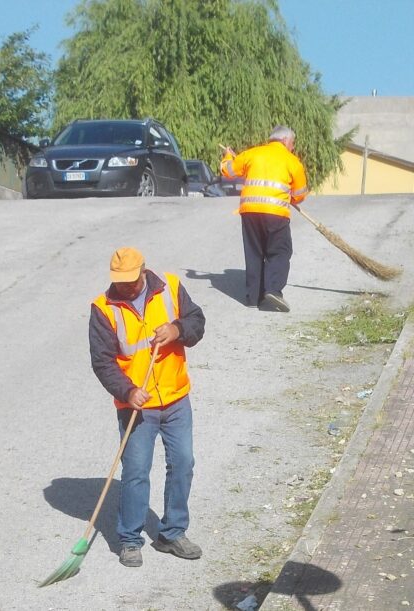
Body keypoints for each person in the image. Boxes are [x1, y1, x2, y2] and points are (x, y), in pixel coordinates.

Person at [88, 247, 205, 568]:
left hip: (176, 397)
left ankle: (172, 533)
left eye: (131, 279)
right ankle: (129, 539)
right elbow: (102, 361)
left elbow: (197, 322)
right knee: (136, 472)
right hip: (136, 406)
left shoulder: (170, 287)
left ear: (144, 271)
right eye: (120, 281)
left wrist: (178, 329)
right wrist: (127, 391)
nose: (125, 286)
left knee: (183, 463)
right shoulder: (104, 309)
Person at [220, 125, 308, 312]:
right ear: (285, 141)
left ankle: (253, 297)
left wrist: (228, 155)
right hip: (276, 212)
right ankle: (273, 291)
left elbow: (228, 171)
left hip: (250, 210)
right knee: (280, 251)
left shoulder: (251, 154)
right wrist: (293, 197)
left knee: (254, 252)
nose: (293, 147)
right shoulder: (292, 161)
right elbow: (300, 194)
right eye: (292, 143)